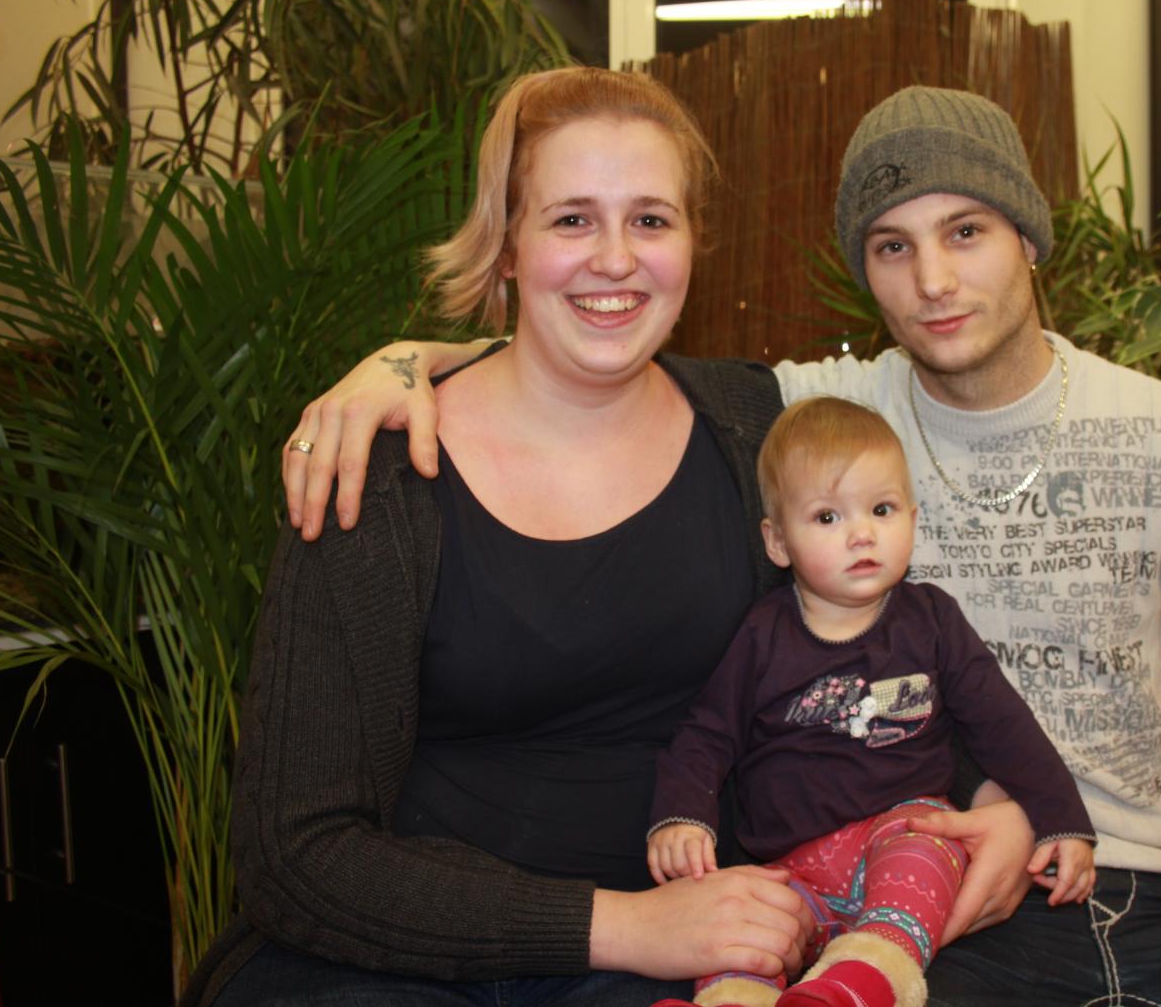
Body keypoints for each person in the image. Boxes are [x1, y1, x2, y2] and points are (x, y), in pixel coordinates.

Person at [282, 85, 1161, 1006]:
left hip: (1159, 899)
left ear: (1029, 237)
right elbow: (592, 345)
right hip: (925, 918)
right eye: (891, 246)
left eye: (967, 230)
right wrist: (403, 365)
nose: (934, 280)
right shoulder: (805, 417)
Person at [183, 66, 840, 1007]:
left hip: (680, 951)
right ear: (505, 247)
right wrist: (621, 926)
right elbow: (294, 853)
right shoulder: (374, 468)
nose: (616, 258)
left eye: (651, 219)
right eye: (571, 219)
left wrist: (993, 802)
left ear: (693, 242)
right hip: (394, 957)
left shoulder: (755, 432)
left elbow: (874, 645)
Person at [646, 397, 1095, 1007]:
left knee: (928, 849)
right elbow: (707, 734)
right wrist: (681, 815)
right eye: (827, 517)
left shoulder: (932, 621)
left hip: (903, 836)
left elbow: (1004, 725)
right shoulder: (761, 634)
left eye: (881, 510)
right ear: (778, 542)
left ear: (913, 517)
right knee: (740, 919)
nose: (862, 534)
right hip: (791, 867)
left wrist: (1061, 819)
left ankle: (861, 982)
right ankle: (732, 997)